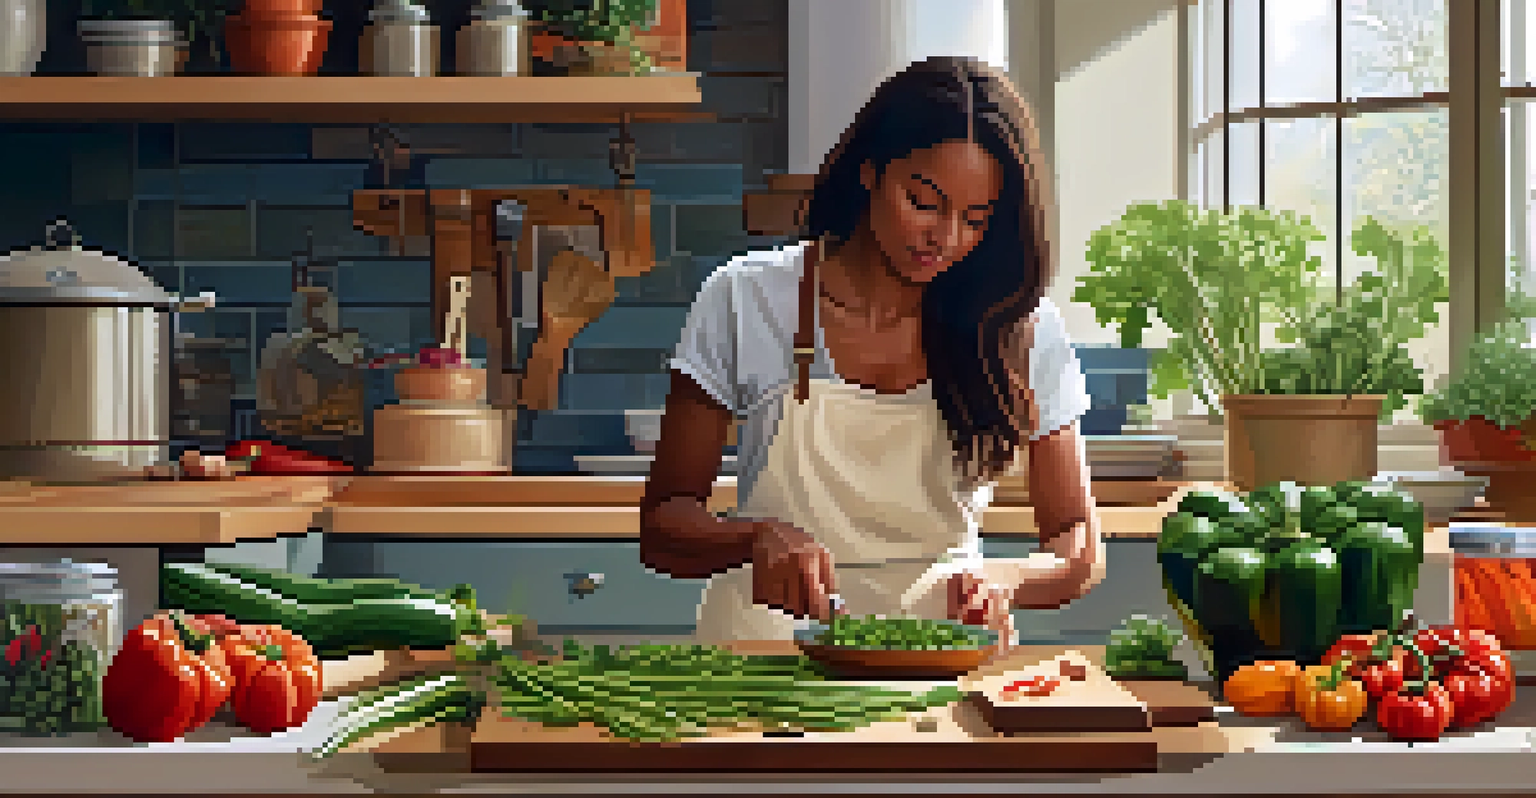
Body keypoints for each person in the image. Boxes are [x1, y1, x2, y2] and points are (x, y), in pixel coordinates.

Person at [639, 56, 1105, 647]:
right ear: (869, 170)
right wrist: (752, 537)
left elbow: (1077, 543)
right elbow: (662, 525)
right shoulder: (745, 298)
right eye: (925, 202)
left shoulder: (1018, 328)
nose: (947, 238)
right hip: (763, 656)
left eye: (976, 218)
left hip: (941, 656)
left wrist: (1007, 578)